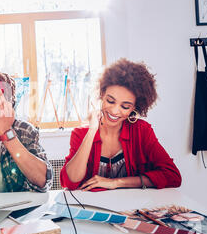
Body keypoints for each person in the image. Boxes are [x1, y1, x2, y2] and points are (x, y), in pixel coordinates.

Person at [60, 59, 182, 191]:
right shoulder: (80, 133)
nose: (114, 111)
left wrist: (116, 182)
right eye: (110, 101)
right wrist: (92, 130)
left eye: (125, 106)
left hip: (130, 207)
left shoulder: (142, 131)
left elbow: (173, 176)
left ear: (134, 108)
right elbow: (69, 183)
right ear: (102, 94)